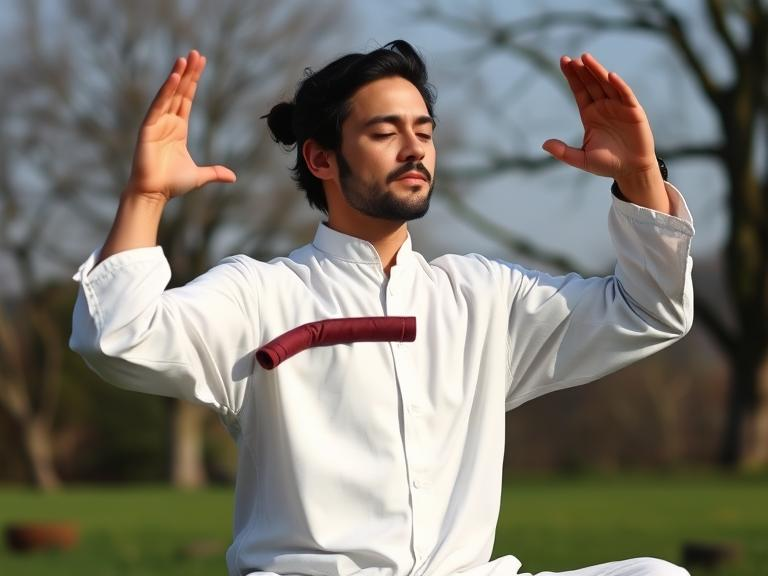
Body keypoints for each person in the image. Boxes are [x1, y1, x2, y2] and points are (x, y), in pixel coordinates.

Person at [70, 40, 694, 576]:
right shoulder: (259, 293)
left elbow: (650, 310)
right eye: (383, 132)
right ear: (321, 158)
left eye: (423, 131)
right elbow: (116, 338)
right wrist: (146, 196)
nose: (414, 149)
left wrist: (640, 176)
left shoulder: (483, 296)